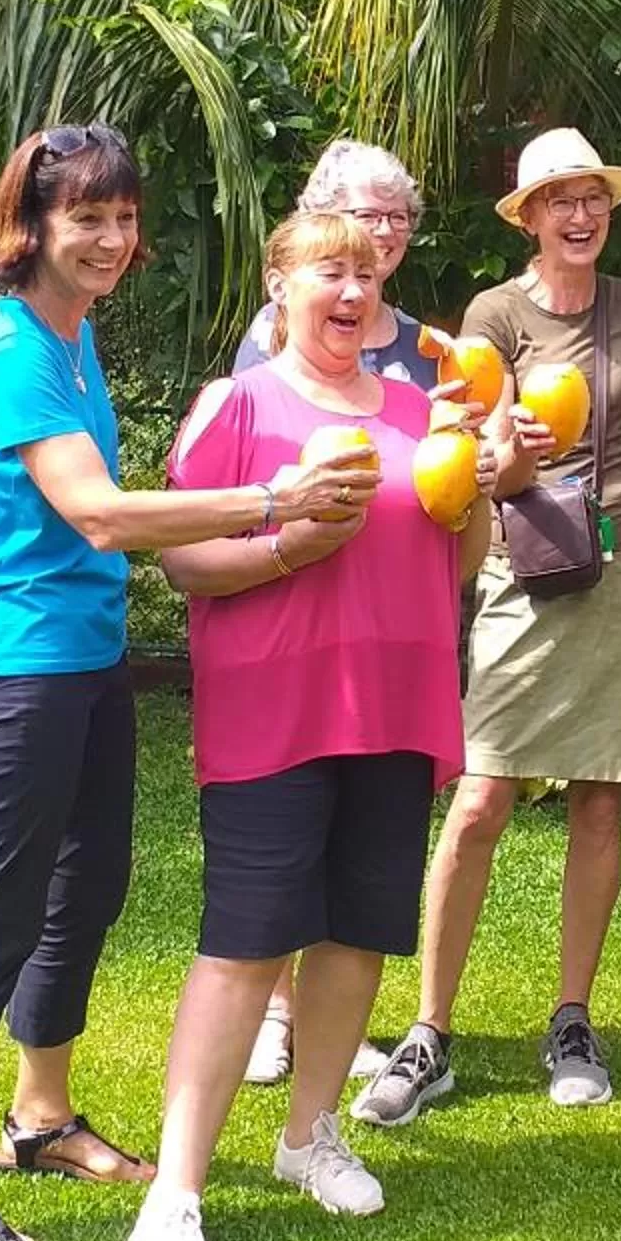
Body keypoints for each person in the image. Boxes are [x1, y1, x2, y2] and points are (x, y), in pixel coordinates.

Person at [0, 125, 380, 1241]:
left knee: (89, 885)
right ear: (34, 225)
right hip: (19, 666)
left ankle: (41, 1115)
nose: (112, 239)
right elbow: (101, 512)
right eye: (87, 218)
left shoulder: (72, 336)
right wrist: (273, 499)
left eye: (123, 217)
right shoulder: (9, 346)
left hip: (87, 656)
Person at [355, 126, 621, 1126]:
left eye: (592, 197)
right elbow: (470, 448)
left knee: (600, 803)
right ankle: (429, 1028)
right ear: (528, 216)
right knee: (483, 792)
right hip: (524, 564)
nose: (579, 214)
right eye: (558, 199)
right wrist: (505, 444)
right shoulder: (495, 313)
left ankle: (572, 1018)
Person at [130, 211, 492, 1241]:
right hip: (273, 713)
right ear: (279, 286)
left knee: (355, 934)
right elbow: (183, 561)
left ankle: (308, 1134)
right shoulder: (236, 402)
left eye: (368, 273)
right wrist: (289, 544)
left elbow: (458, 555)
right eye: (329, 270)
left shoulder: (423, 408)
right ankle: (177, 1189)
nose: (352, 290)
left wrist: (474, 460)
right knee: (245, 947)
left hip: (392, 703)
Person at [230, 140, 428, 1088]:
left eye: (396, 219)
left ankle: (324, 1037)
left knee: (364, 862)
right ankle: (273, 1016)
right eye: (363, 218)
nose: (383, 235)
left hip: (394, 627)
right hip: (294, 625)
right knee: (280, 852)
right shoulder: (274, 343)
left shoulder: (427, 345)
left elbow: (443, 475)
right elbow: (244, 473)